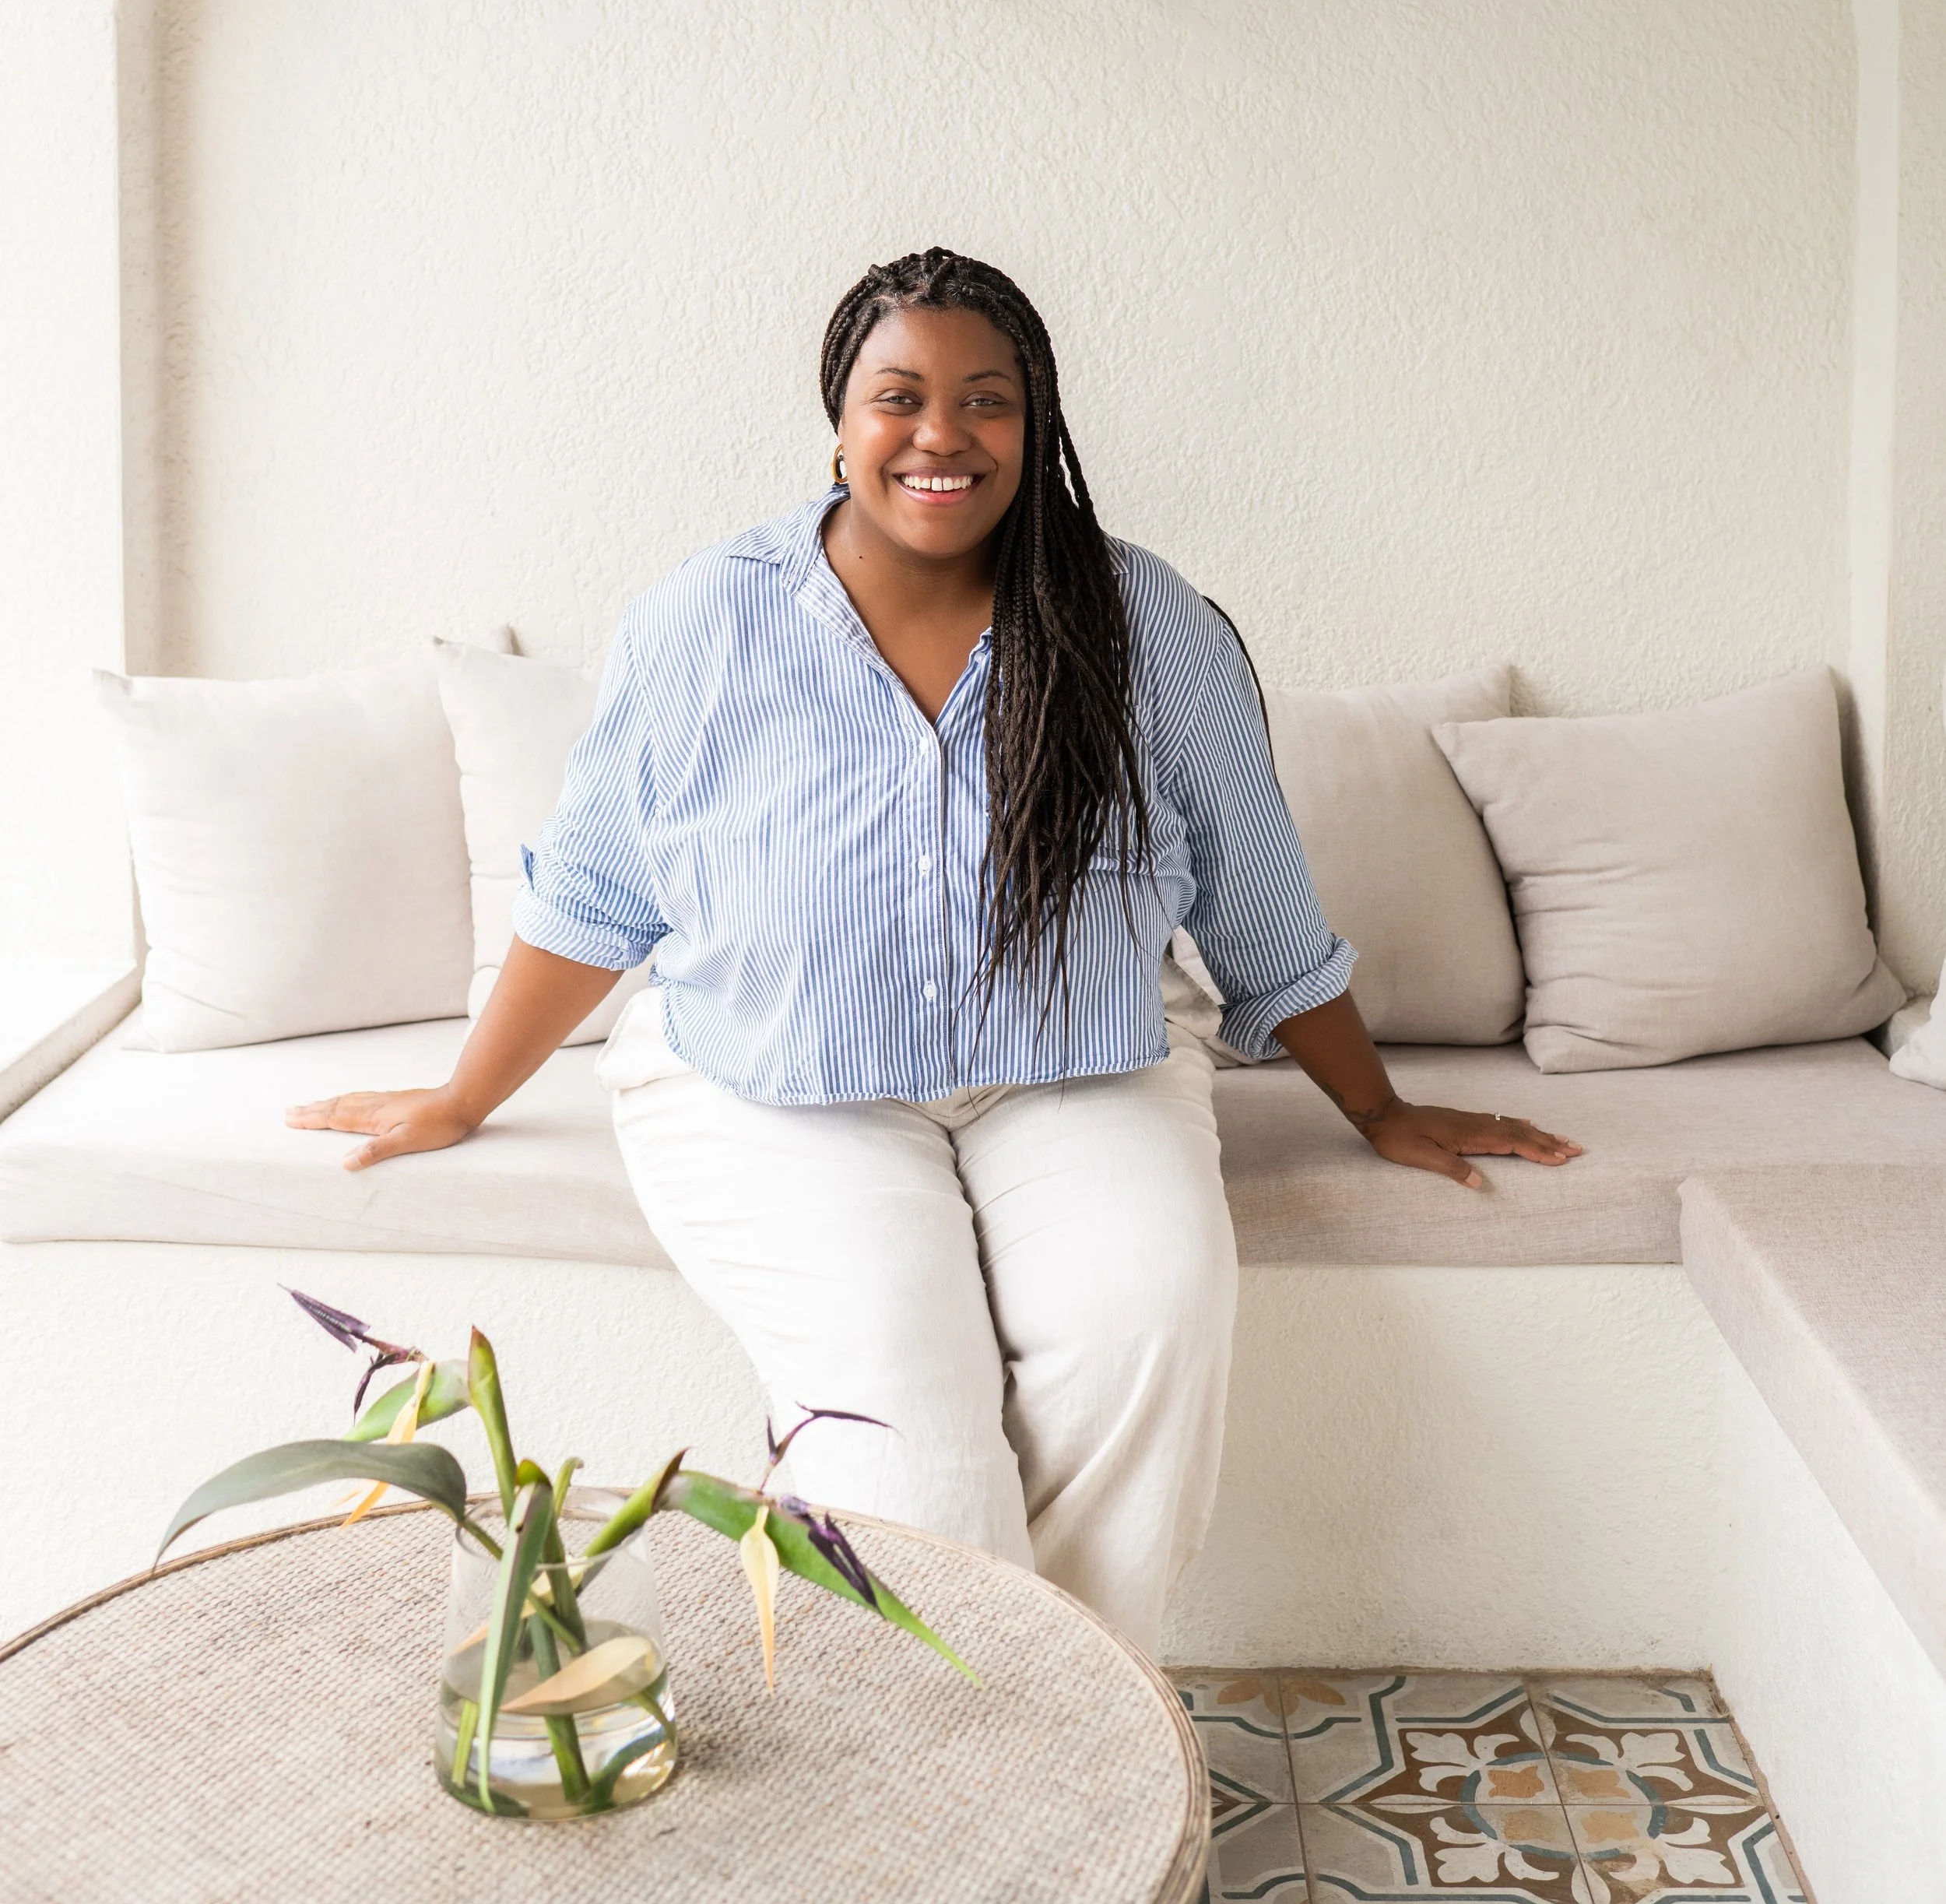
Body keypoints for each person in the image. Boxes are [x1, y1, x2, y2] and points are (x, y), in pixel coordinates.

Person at [289, 248, 1579, 1653]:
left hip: (1073, 1067)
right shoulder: (708, 618)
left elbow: (1257, 894)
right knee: (914, 1457)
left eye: (988, 399)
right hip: (773, 1080)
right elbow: (597, 892)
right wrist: (463, 1097)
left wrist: (1378, 1105)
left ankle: (1075, 1745)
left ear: (1038, 422)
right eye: (898, 395)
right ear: (839, 418)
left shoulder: (1146, 621)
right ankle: (952, 1764)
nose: (942, 434)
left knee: (1146, 1334)